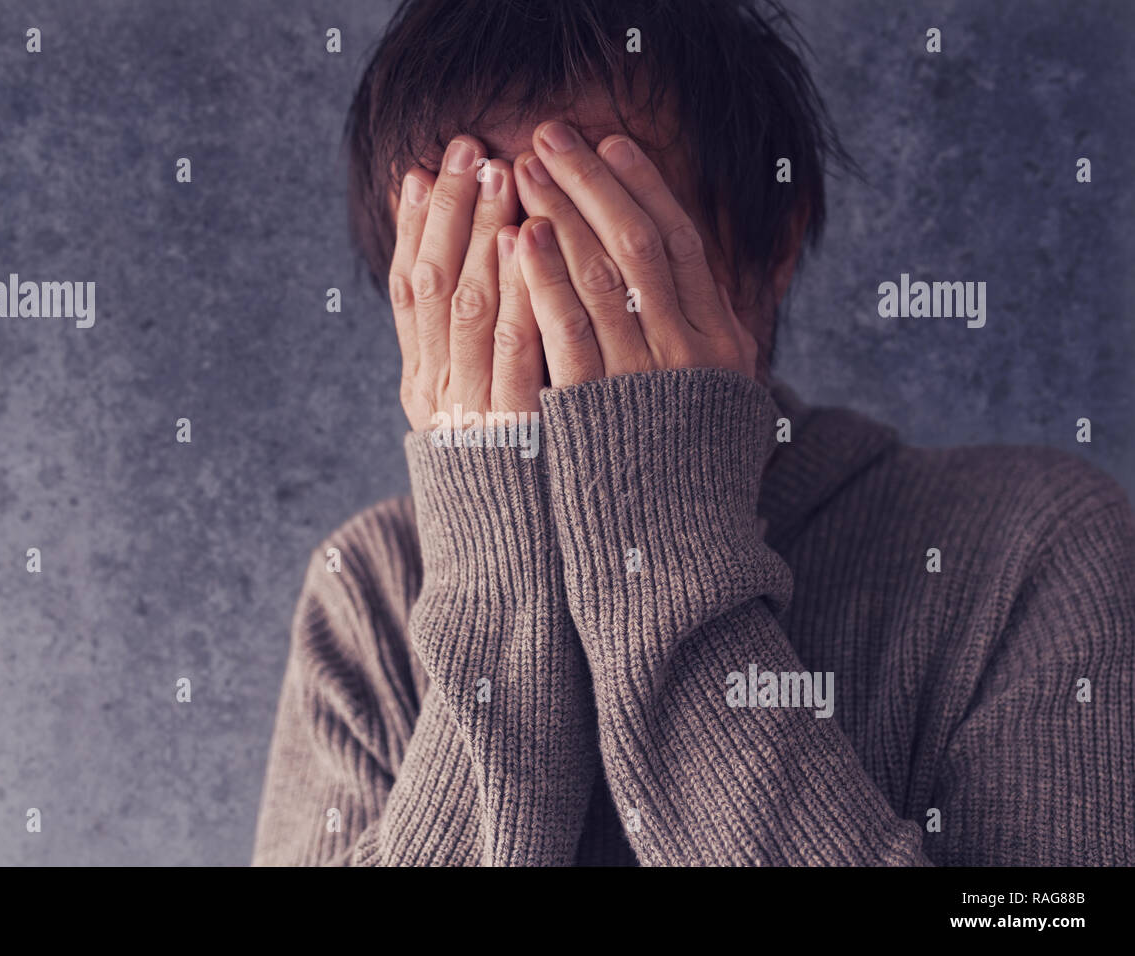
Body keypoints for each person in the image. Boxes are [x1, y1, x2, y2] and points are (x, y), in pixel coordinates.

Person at [252, 0, 1135, 866]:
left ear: (769, 248)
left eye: (605, 239)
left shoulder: (1038, 547)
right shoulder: (367, 590)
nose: (546, 315)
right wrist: (495, 585)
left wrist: (659, 540)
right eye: (490, 249)